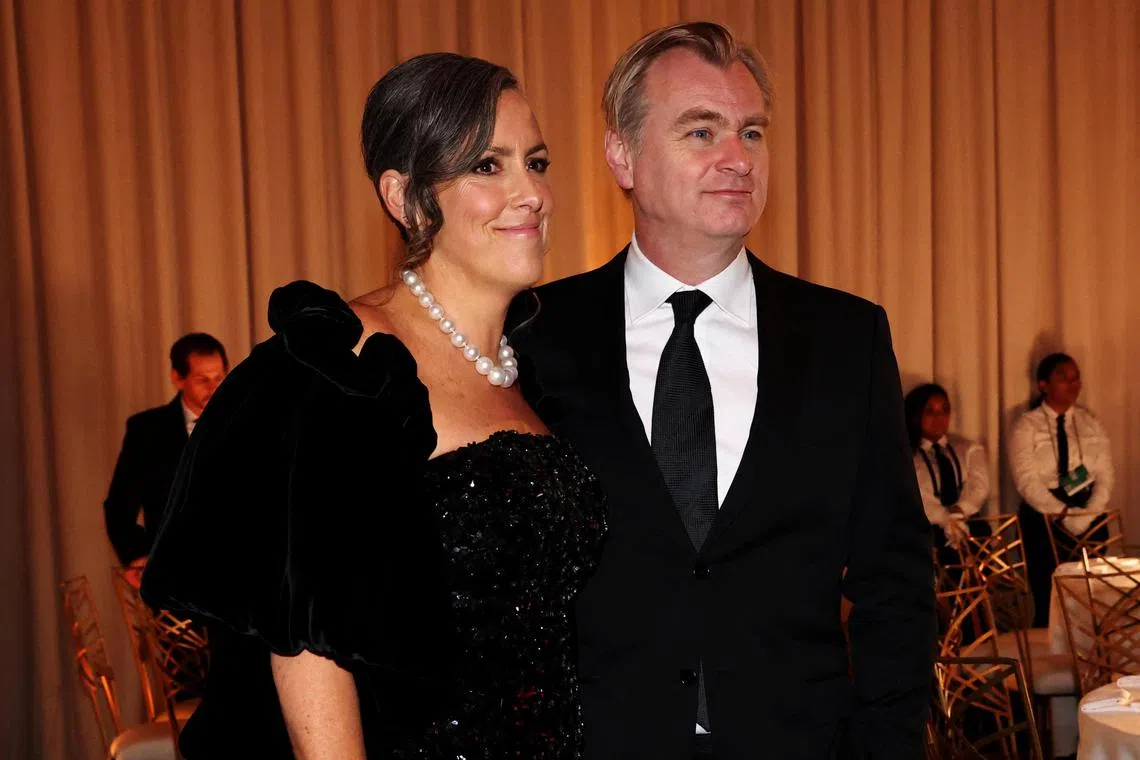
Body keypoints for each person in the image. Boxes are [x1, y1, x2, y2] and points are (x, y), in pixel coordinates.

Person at [141, 53, 606, 759]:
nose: (532, 192)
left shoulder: (529, 378)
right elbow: (304, 643)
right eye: (487, 166)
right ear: (406, 197)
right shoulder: (345, 367)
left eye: (535, 163)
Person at [509, 22, 935, 759]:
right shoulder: (537, 335)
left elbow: (894, 581)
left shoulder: (847, 338)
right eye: (701, 132)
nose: (738, 158)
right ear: (623, 155)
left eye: (752, 132)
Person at [103, 332, 227, 578]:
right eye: (203, 380)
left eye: (219, 379)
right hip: (177, 575)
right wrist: (139, 558)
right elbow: (119, 507)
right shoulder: (147, 430)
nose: (214, 389)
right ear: (178, 379)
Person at [1010, 352, 1114, 627]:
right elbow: (1026, 480)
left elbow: (1105, 474)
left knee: (1091, 594)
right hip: (1045, 515)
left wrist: (1088, 514)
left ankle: (1090, 647)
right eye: (1064, 378)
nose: (1073, 384)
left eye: (1076, 378)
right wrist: (1062, 513)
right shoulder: (1027, 425)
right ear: (1043, 385)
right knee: (1049, 594)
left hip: (1088, 510)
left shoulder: (1089, 422)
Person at [903, 383, 991, 560]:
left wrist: (959, 511)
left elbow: (979, 485)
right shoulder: (907, 455)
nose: (939, 417)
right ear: (915, 415)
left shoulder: (968, 448)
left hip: (968, 523)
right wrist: (946, 519)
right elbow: (919, 495)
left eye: (944, 410)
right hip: (927, 529)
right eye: (930, 411)